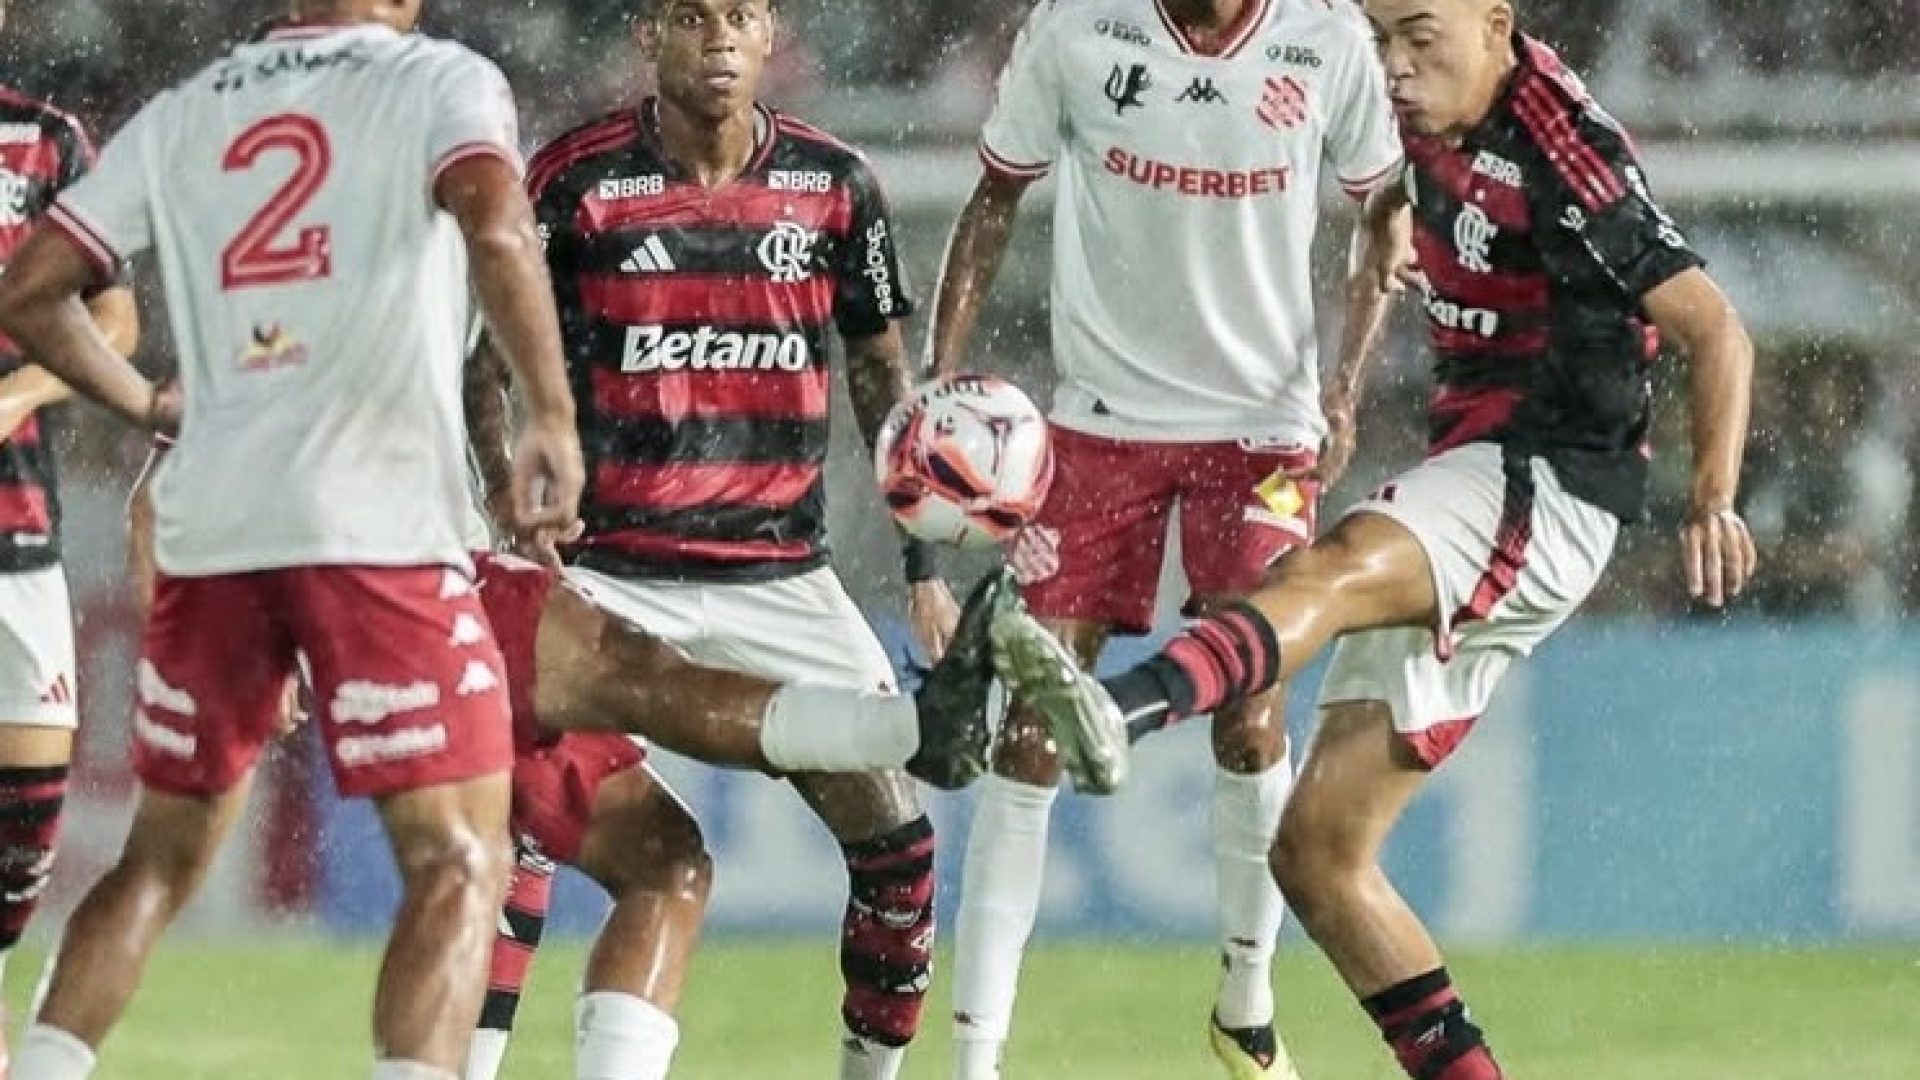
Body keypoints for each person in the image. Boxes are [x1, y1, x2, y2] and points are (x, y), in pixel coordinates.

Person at [987, 2, 1760, 1078]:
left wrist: (1712, 497)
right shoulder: (1409, 107)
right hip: (1474, 470)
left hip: (1547, 477)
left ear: (1496, 23)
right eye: (1381, 40)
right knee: (1321, 859)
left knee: (1335, 566)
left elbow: (1713, 326)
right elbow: (1362, 191)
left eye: (1418, 38)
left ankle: (1119, 706)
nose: (1394, 67)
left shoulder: (1565, 151)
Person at [0, 1, 589, 1076]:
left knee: (156, 865)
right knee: (460, 860)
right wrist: (548, 413)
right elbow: (496, 222)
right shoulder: (438, 80)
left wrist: (145, 404)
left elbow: (33, 290)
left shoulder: (185, 110)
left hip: (213, 518)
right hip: (371, 516)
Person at [461, 3, 961, 1075]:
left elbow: (884, 381)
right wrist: (507, 499)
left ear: (772, 32)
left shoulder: (836, 186)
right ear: (650, 36)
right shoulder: (576, 180)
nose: (720, 40)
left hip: (782, 576)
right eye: (693, 18)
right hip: (610, 573)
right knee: (522, 828)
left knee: (900, 848)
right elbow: (485, 361)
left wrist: (924, 561)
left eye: (740, 15)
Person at [927, 0, 1405, 1074]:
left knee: (1251, 714)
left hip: (1264, 432)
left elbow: (1388, 207)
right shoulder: (1076, 28)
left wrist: (1348, 381)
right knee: (1031, 731)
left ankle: (1245, 1000)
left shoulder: (1327, 38)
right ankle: (973, 1060)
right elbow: (995, 194)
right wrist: (936, 374)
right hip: (1100, 427)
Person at [0, 2, 142, 1067]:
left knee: (25, 833)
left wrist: (25, 392)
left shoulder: (45, 141)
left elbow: (119, 320)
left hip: (18, 524)